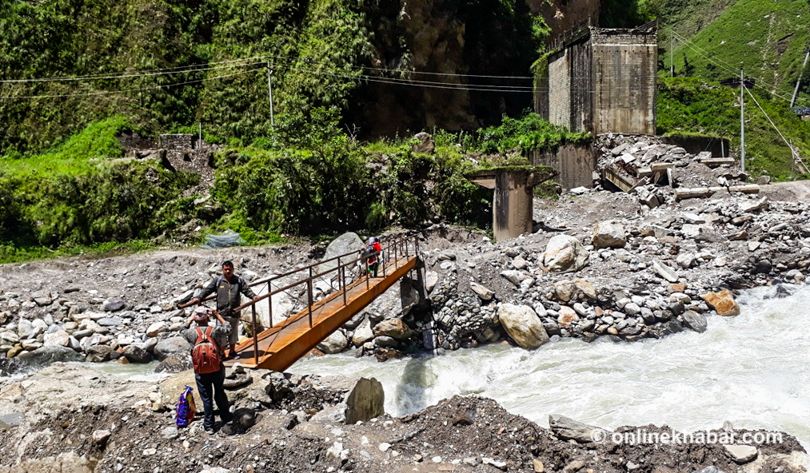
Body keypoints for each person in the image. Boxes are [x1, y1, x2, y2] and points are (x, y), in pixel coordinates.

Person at [187, 260, 259, 359]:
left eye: (230, 269)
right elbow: (208, 290)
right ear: (222, 270)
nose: (228, 271)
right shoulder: (218, 280)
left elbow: (246, 290)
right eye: (226, 269)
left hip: (234, 312)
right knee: (221, 336)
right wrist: (199, 297)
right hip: (221, 314)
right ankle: (222, 353)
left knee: (233, 334)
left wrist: (253, 296)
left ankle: (232, 352)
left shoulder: (238, 281)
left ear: (233, 269)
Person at [184, 306, 232, 433]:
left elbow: (181, 330)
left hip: (200, 371)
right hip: (217, 368)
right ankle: (226, 418)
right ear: (208, 317)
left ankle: (209, 426)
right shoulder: (215, 330)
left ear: (196, 319)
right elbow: (228, 328)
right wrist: (218, 315)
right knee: (219, 392)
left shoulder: (191, 333)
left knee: (206, 398)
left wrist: (189, 319)